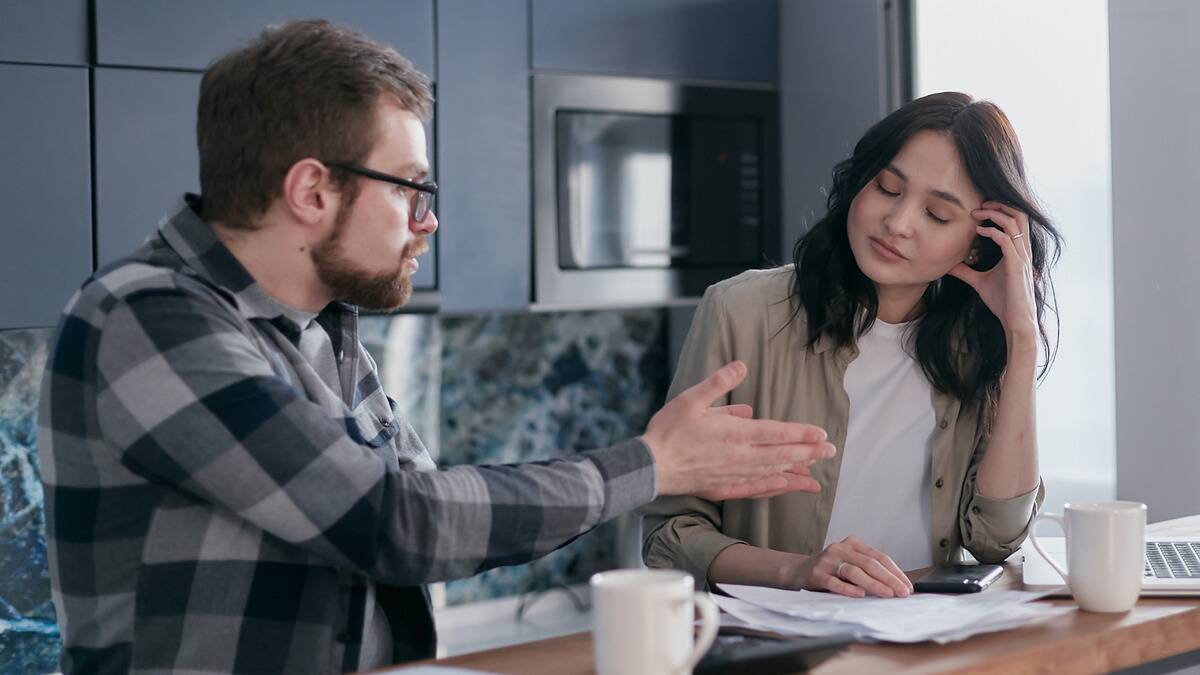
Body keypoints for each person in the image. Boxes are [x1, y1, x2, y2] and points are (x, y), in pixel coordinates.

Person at [36, 20, 837, 674]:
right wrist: (653, 465)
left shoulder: (323, 329)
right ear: (313, 190)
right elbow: (395, 521)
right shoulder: (145, 318)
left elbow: (433, 520)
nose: (430, 220)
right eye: (412, 187)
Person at [642, 92, 1063, 600]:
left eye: (936, 214)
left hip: (920, 641)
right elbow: (669, 535)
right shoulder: (742, 312)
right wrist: (800, 570)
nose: (898, 222)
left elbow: (997, 538)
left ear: (977, 244)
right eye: (887, 188)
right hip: (777, 647)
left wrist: (1021, 339)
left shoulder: (974, 344)